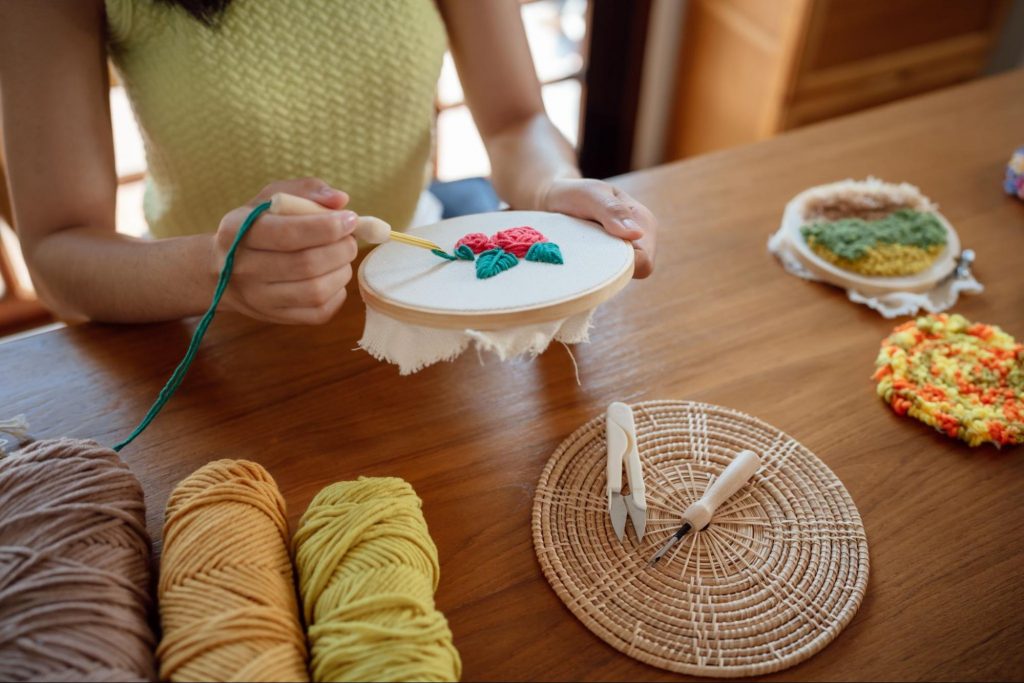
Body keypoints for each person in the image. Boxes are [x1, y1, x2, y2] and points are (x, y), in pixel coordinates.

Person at [0, 0, 657, 326]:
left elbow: (517, 122)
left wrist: (555, 185)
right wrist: (217, 268)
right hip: (202, 323)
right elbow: (59, 253)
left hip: (417, 287)